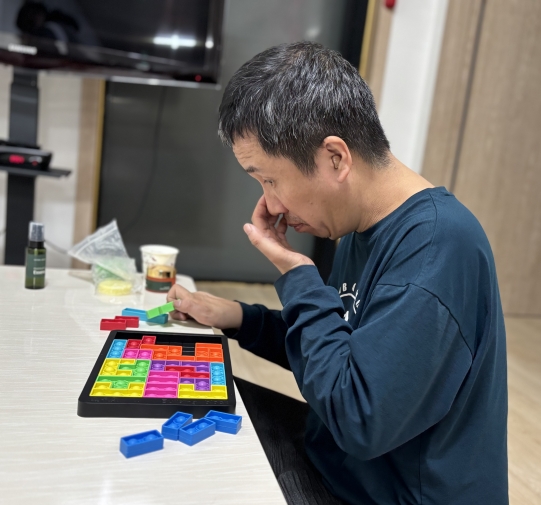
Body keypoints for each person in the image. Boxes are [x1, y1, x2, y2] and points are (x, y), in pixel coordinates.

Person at [167, 41, 508, 505]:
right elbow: (336, 347)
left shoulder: (438, 247)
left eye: (269, 179)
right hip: (338, 464)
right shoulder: (360, 226)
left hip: (381, 491)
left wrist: (299, 276)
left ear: (335, 158)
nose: (270, 204)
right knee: (185, 397)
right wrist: (241, 318)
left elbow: (358, 417)